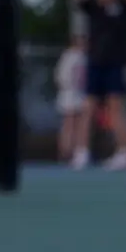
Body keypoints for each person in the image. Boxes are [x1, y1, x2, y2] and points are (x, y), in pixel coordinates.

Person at [72, 0, 126, 169]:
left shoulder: (124, 9)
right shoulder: (93, 9)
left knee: (115, 108)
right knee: (88, 108)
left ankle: (125, 153)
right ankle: (82, 152)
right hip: (95, 64)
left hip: (115, 64)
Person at [54, 34, 89, 167]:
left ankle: (77, 150)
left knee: (80, 122)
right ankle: (65, 151)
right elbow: (60, 76)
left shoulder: (85, 57)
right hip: (69, 94)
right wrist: (68, 88)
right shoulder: (68, 56)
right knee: (69, 122)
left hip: (81, 94)